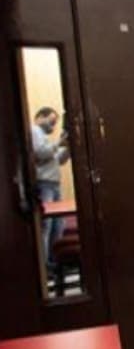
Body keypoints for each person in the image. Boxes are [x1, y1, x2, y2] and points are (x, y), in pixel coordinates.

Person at [30, 107, 69, 267]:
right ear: (40, 117)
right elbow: (40, 152)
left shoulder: (44, 137)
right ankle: (45, 264)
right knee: (46, 225)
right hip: (44, 184)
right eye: (51, 121)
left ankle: (54, 262)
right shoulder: (34, 131)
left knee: (58, 224)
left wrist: (68, 147)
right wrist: (58, 143)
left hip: (53, 184)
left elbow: (59, 160)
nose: (52, 126)